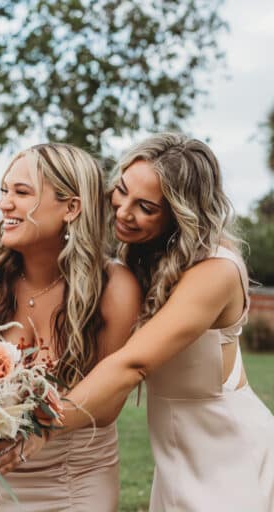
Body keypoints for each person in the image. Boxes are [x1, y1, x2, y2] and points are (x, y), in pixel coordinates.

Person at [19, 133, 274, 511]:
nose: (123, 211)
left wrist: (39, 424)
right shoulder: (143, 259)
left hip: (228, 451)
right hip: (174, 456)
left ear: (180, 211)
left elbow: (132, 363)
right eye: (120, 190)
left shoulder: (215, 269)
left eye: (146, 207)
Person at [0, 143, 141, 511]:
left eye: (22, 192)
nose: (5, 204)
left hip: (75, 476)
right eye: (4, 191)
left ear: (71, 207)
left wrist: (37, 424)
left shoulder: (114, 287)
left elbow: (108, 406)